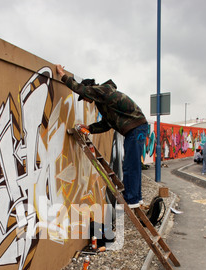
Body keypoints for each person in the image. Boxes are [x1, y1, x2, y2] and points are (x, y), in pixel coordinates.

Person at [56, 65, 148, 208]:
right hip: (135, 129)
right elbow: (107, 124)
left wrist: (63, 75)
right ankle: (136, 198)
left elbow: (82, 89)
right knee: (132, 164)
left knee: (131, 165)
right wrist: (90, 128)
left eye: (85, 97)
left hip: (135, 128)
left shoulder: (103, 91)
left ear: (91, 91)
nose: (85, 100)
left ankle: (132, 200)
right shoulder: (102, 100)